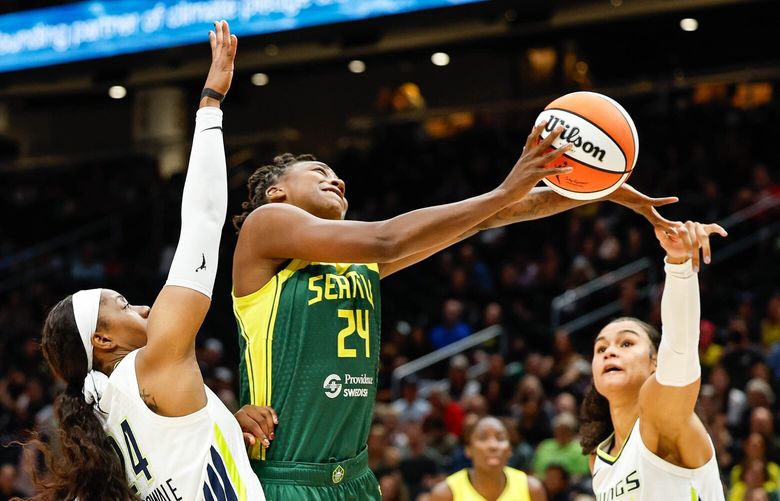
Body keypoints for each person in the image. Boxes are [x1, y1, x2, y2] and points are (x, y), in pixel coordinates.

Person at [231, 116, 679, 498]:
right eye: (318, 170)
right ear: (276, 194)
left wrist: (603, 190)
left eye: (336, 174)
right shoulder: (265, 225)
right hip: (285, 476)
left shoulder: (357, 267)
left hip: (354, 478)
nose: (337, 179)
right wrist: (504, 190)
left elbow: (490, 217)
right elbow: (387, 239)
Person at [31, 21, 269, 501]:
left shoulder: (106, 416)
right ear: (101, 339)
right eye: (120, 305)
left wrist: (223, 421)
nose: (140, 307)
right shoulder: (152, 361)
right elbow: (202, 221)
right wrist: (210, 102)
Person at [580, 220, 728, 499]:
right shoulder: (599, 459)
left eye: (626, 343)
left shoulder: (662, 417)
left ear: (655, 363)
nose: (609, 352)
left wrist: (678, 263)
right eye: (601, 349)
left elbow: (681, 349)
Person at [429, 415, 546, 501]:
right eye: (483, 438)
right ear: (468, 450)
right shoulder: (445, 494)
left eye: (500, 438)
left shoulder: (531, 489)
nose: (493, 446)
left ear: (510, 449)